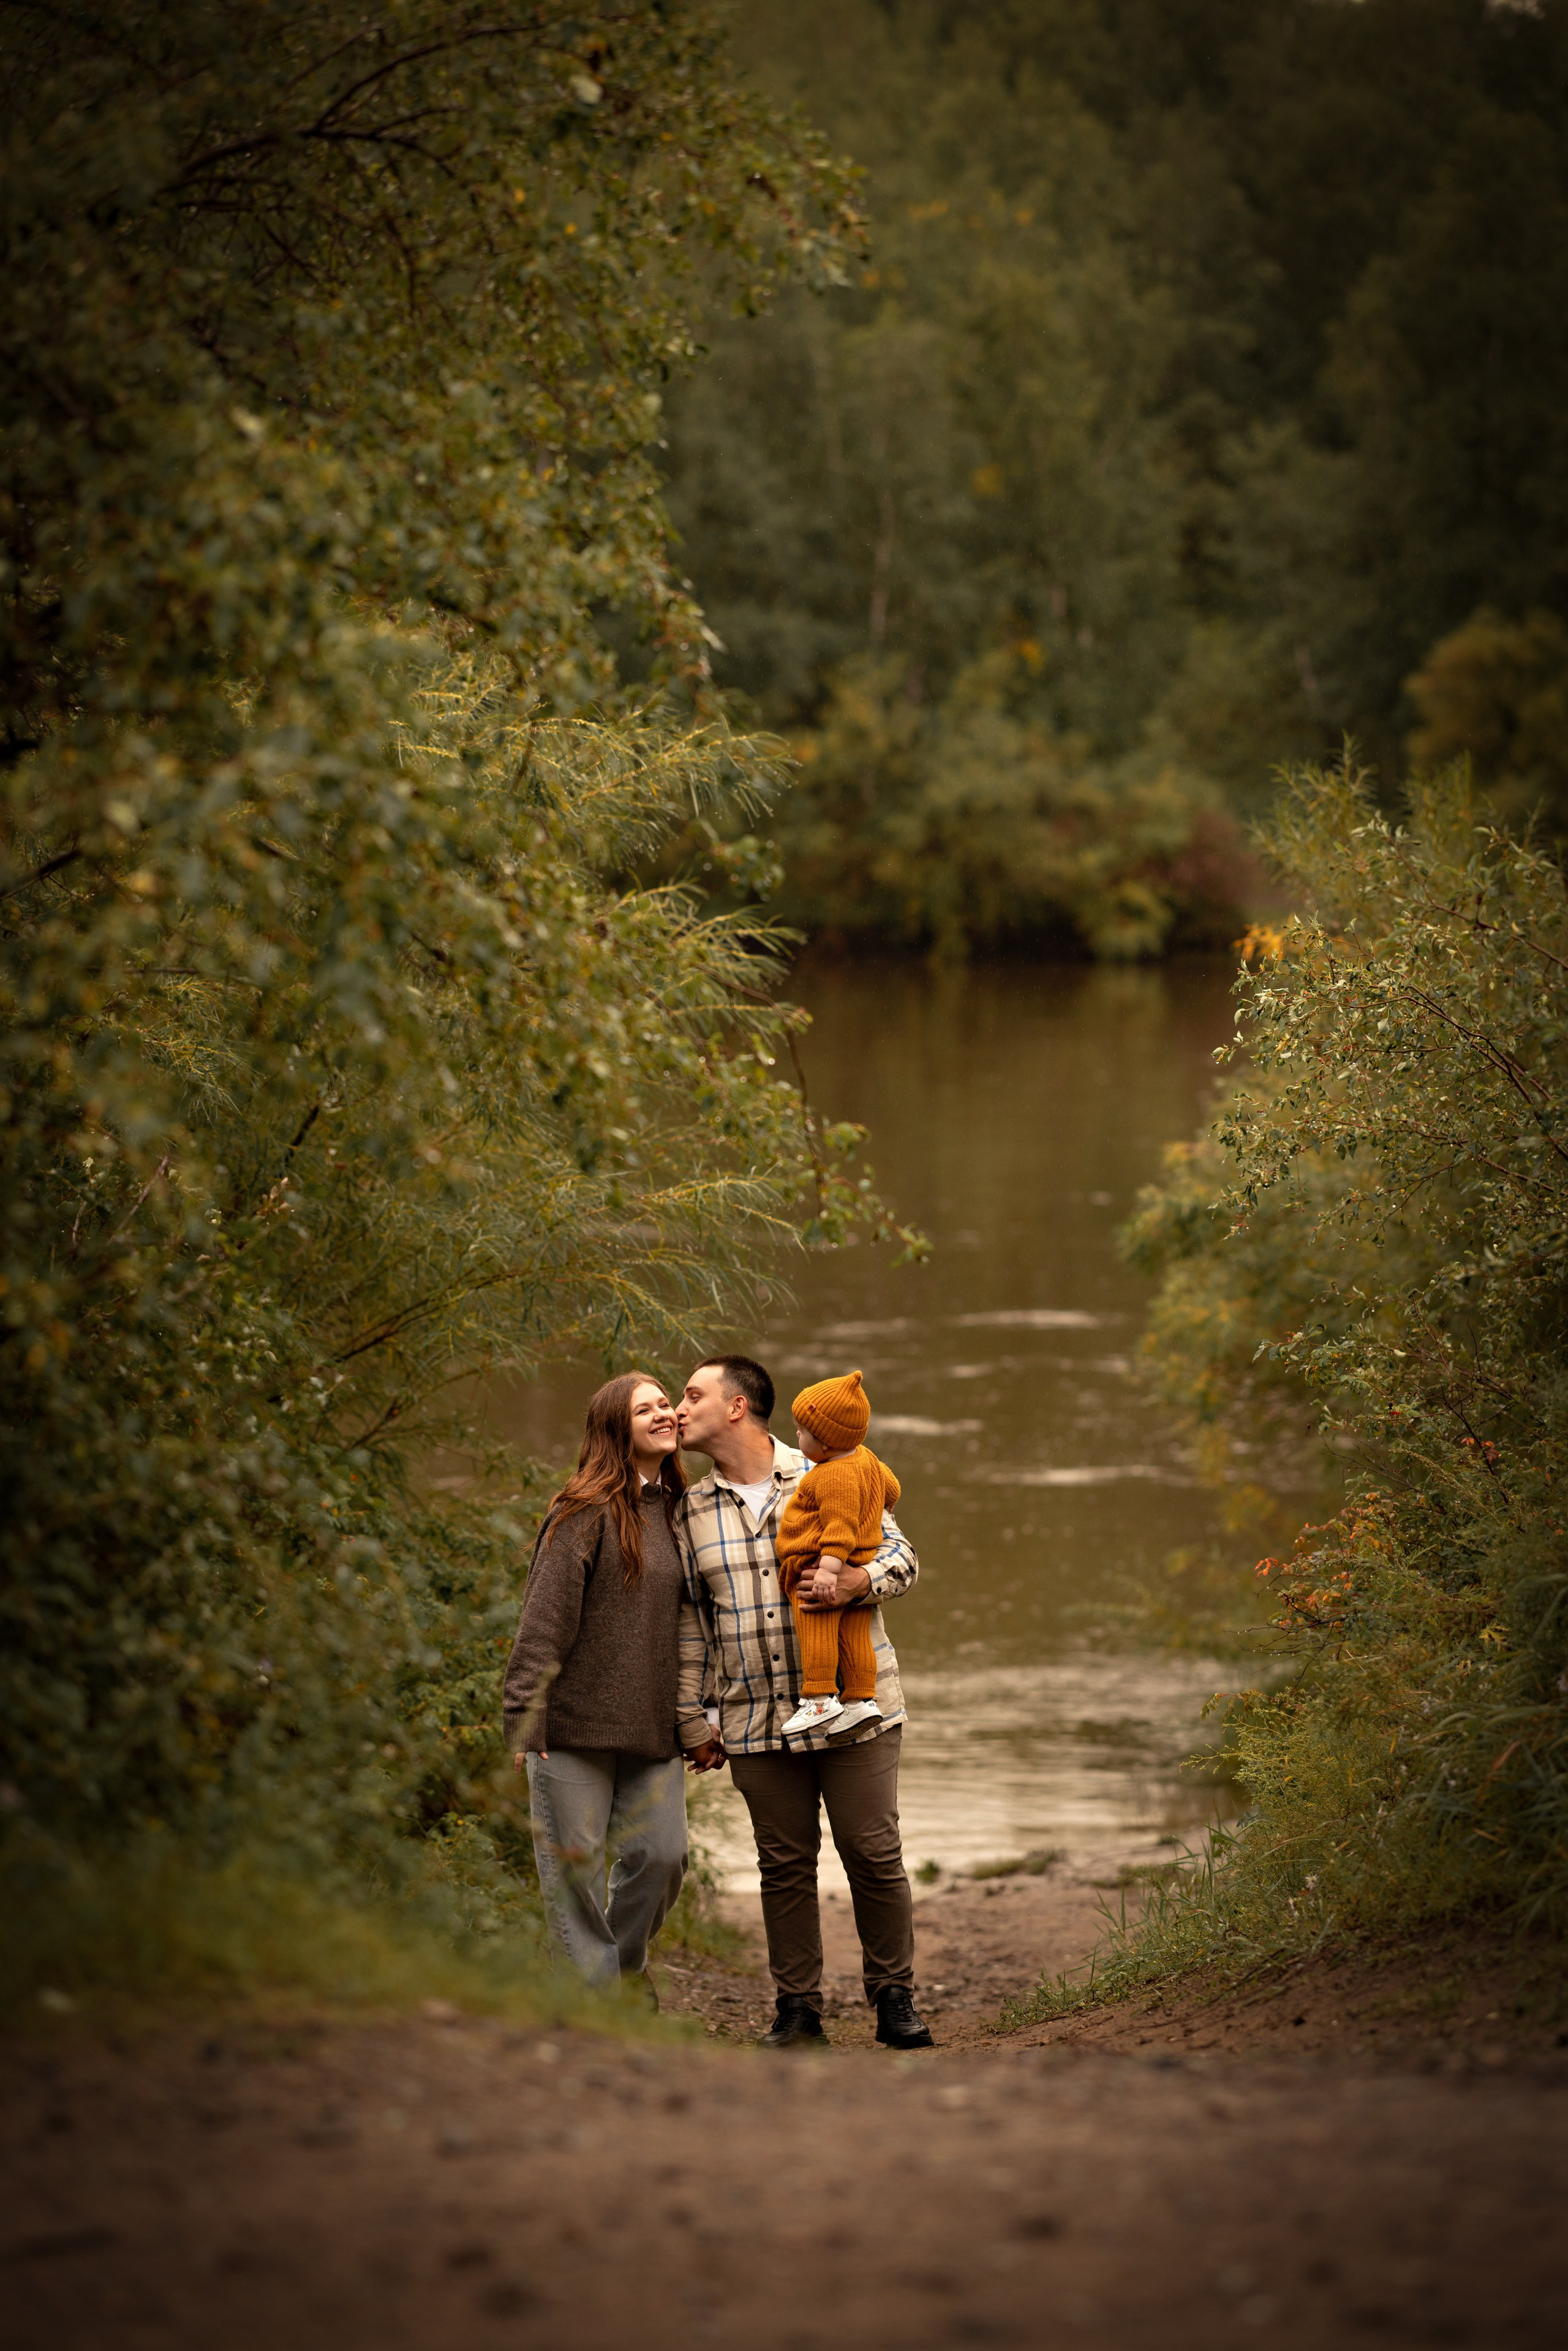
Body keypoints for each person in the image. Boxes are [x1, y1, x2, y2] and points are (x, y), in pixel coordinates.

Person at [674, 1354, 935, 2051]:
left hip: (857, 1705)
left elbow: (904, 1560)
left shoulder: (835, 1465)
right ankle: (797, 2010)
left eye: (692, 1393)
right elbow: (693, 1624)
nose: (678, 1406)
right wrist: (690, 1713)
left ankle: (894, 1997)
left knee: (872, 1853)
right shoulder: (691, 1509)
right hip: (753, 1713)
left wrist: (857, 1582)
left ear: (736, 1406)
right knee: (782, 1864)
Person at [502, 1373, 694, 1997]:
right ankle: (599, 2005)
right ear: (616, 1428)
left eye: (666, 1404)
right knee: (574, 1873)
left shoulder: (677, 1510)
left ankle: (624, 1975)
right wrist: (526, 1718)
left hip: (651, 1726)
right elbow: (543, 1622)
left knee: (663, 1859)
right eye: (646, 1409)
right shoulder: (581, 1510)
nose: (664, 1414)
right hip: (574, 1727)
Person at [775, 1369, 899, 1742]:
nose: (797, 1436)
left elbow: (840, 1526)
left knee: (816, 1627)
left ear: (826, 1443)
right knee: (854, 1634)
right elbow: (891, 1489)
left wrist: (828, 1570)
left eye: (802, 1431)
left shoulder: (831, 1475)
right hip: (859, 1562)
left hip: (821, 1565)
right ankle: (861, 1700)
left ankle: (818, 1697)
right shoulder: (866, 1459)